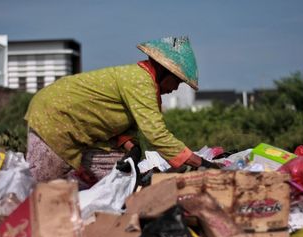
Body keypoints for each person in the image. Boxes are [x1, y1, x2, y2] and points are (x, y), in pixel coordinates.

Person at [25, 36, 219, 189]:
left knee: (120, 177)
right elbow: (157, 135)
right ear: (164, 71)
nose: (176, 88)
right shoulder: (140, 81)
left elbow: (120, 120)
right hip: (55, 118)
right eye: (177, 81)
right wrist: (200, 163)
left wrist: (131, 147)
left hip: (76, 126)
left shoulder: (142, 83)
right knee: (40, 188)